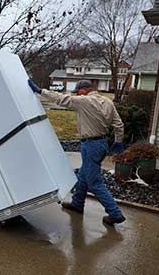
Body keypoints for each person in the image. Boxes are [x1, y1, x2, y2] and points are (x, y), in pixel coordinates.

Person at [28, 79, 126, 225]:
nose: (77, 94)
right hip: (101, 143)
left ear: (84, 89)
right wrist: (118, 141)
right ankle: (77, 204)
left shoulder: (84, 101)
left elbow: (61, 99)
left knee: (94, 182)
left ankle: (115, 213)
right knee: (84, 175)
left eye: (78, 91)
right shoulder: (108, 102)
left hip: (91, 145)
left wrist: (40, 91)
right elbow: (118, 124)